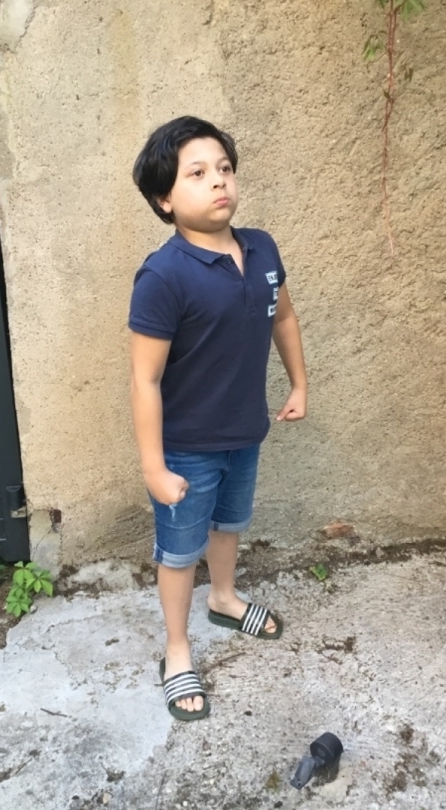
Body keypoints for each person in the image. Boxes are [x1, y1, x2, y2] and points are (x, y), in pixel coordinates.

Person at [129, 116, 307, 721]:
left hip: (245, 432)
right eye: (197, 173)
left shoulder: (262, 248)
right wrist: (154, 467)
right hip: (185, 448)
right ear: (164, 199)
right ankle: (177, 650)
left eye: (225, 169)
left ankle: (225, 598)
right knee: (180, 552)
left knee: (230, 526)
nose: (218, 182)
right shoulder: (163, 276)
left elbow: (283, 317)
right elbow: (145, 379)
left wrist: (300, 383)